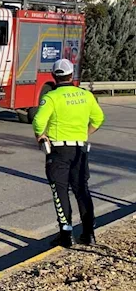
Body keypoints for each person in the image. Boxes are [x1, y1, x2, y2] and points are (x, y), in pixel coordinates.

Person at [33, 59, 104, 247]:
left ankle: (66, 235)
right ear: (72, 76)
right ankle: (89, 233)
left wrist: (41, 137)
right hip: (80, 148)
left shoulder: (51, 97)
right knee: (82, 189)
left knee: (60, 191)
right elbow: (98, 118)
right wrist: (84, 134)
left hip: (59, 150)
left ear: (54, 76)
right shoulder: (86, 95)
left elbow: (39, 121)